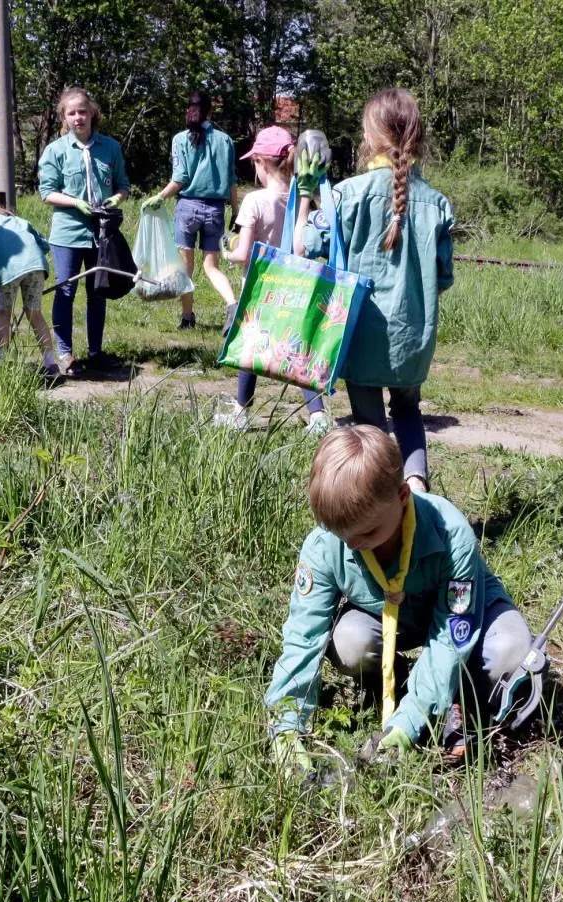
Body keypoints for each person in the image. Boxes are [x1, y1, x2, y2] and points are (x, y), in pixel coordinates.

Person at [264, 426, 531, 773]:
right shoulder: (327, 545)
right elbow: (304, 637)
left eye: (368, 533)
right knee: (349, 643)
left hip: (467, 616)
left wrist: (406, 725)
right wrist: (286, 724)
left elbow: (451, 637)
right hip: (394, 622)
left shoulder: (451, 536)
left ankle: (461, 700)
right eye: (340, 535)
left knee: (510, 651)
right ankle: (406, 680)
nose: (353, 545)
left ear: (403, 495)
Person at [294, 89, 453, 497]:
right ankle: (416, 489)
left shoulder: (346, 194)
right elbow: (444, 277)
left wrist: (306, 195)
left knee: (369, 426)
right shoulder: (438, 204)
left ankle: (379, 500)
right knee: (407, 410)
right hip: (413, 338)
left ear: (370, 136)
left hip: (360, 333)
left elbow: (302, 249)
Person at [214, 125, 329, 436]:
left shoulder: (255, 201)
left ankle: (241, 412)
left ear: (261, 163)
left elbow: (243, 253)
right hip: (294, 288)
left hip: (259, 290)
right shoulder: (301, 198)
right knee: (295, 349)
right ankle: (318, 416)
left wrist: (226, 251)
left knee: (250, 352)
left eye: (254, 163)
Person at [37, 88, 130, 374]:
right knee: (65, 290)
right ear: (64, 118)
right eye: (72, 113)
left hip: (101, 234)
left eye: (83, 111)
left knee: (97, 291)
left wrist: (115, 199)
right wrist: (76, 202)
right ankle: (65, 354)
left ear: (92, 113)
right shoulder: (55, 151)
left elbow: (123, 185)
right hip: (67, 234)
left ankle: (95, 352)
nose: (79, 117)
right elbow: (46, 192)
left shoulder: (110, 148)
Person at [142, 91, 237, 330]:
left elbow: (180, 179)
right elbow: (232, 179)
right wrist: (236, 211)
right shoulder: (225, 140)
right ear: (210, 112)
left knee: (186, 268)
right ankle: (233, 305)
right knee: (211, 266)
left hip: (187, 209)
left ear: (189, 110)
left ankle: (187, 317)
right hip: (215, 210)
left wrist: (160, 196)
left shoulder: (180, 139)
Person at [0, 189, 66, 380]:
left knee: (4, 313)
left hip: (8, 268)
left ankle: (1, 367)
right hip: (37, 266)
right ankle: (51, 364)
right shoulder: (14, 219)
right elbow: (43, 244)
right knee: (34, 313)